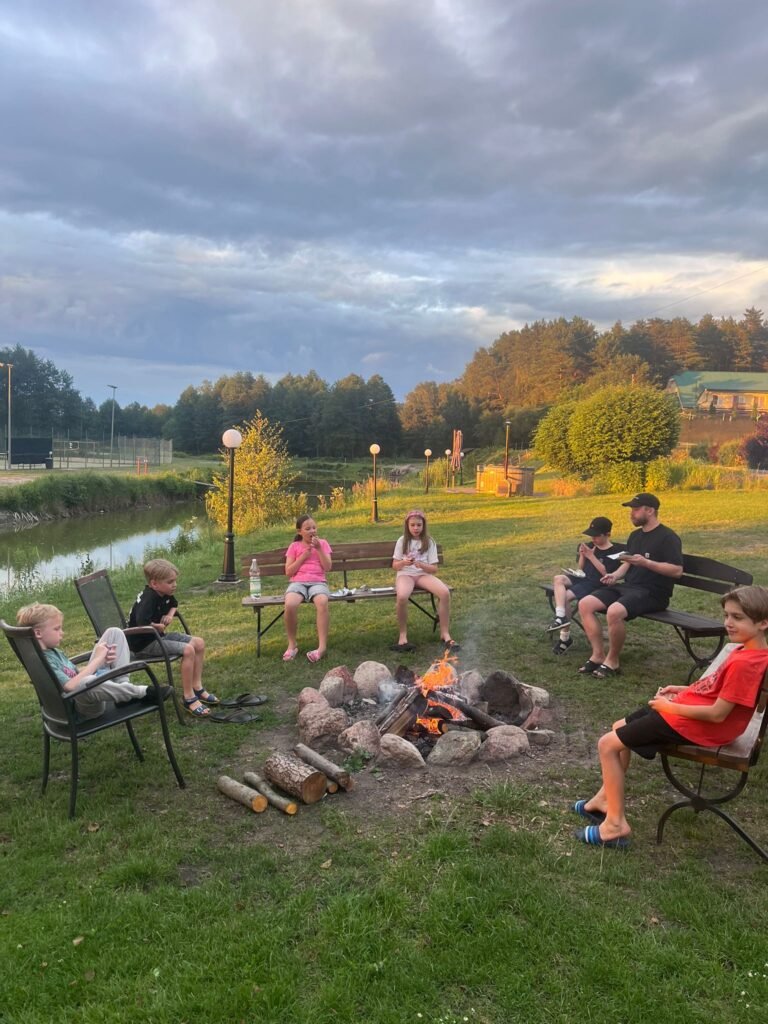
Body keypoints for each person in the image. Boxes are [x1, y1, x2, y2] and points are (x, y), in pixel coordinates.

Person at [573, 585, 768, 849]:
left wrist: (669, 707)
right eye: (726, 615)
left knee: (607, 744)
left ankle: (615, 826)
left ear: (763, 623)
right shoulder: (747, 650)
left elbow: (717, 714)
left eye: (737, 617)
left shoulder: (746, 663)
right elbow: (719, 691)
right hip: (689, 714)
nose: (728, 623)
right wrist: (683, 690)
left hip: (699, 726)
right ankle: (603, 799)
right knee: (618, 727)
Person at [577, 493, 683, 678]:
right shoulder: (635, 536)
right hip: (629, 587)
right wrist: (614, 575)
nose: (631, 513)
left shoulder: (668, 537)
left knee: (614, 612)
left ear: (650, 511)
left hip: (654, 592)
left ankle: (612, 661)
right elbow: (628, 562)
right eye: (631, 509)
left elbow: (677, 571)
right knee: (585, 604)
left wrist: (647, 563)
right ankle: (598, 655)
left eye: (635, 509)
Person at [16, 602, 167, 720]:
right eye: (57, 629)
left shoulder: (52, 652)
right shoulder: (44, 661)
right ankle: (141, 692)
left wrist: (102, 660)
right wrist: (98, 660)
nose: (62, 633)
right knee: (85, 682)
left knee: (113, 632)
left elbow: (74, 674)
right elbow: (70, 686)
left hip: (85, 691)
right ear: (38, 633)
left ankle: (123, 689)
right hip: (81, 709)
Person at [128, 558, 214, 717]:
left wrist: (169, 615)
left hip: (158, 637)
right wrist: (157, 626)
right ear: (154, 584)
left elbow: (174, 604)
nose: (174, 585)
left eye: (175, 580)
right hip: (143, 645)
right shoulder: (149, 599)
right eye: (170, 582)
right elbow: (141, 624)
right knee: (188, 650)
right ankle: (188, 698)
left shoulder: (164, 593)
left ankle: (197, 686)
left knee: (199, 643)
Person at [545, 516, 624, 655]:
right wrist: (583, 556)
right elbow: (581, 568)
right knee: (558, 579)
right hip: (582, 578)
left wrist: (591, 556)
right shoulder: (589, 546)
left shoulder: (615, 551)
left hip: (597, 583)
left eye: (596, 536)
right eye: (591, 535)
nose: (593, 539)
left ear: (608, 534)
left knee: (564, 597)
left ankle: (564, 638)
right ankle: (560, 616)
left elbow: (607, 573)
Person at [390, 509, 459, 653]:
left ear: (423, 525)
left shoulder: (429, 541)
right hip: (405, 575)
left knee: (444, 592)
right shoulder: (402, 541)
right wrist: (404, 563)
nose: (416, 528)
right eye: (412, 525)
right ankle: (403, 636)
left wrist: (421, 565)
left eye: (419, 525)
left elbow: (434, 569)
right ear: (407, 526)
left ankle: (445, 634)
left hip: (423, 575)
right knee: (402, 596)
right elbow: (395, 566)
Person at [283, 515, 332, 664]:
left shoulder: (323, 544)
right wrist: (303, 557)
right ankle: (292, 645)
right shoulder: (294, 546)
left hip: (318, 582)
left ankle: (321, 648)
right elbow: (288, 572)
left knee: (322, 602)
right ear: (299, 531)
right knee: (290, 604)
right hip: (298, 582)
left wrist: (319, 549)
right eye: (308, 528)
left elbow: (328, 567)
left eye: (314, 528)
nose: (312, 531)